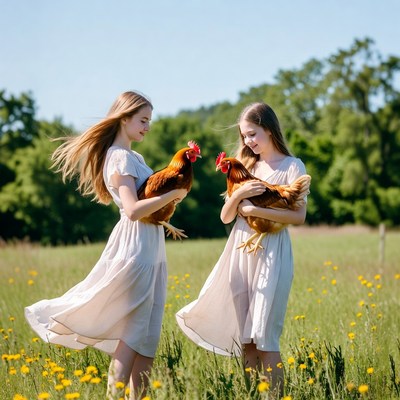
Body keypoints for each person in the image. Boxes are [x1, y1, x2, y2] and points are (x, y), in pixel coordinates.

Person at [25, 91, 188, 399]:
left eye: (149, 121)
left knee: (148, 335)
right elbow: (132, 210)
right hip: (136, 249)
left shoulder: (134, 156)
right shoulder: (121, 157)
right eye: (142, 120)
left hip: (150, 247)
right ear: (123, 118)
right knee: (133, 334)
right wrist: (172, 196)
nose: (147, 127)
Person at [176, 102, 308, 396]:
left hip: (272, 251)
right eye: (245, 136)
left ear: (269, 129)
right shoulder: (246, 165)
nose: (248, 141)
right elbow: (225, 216)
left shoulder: (292, 166)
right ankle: (252, 394)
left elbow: (298, 216)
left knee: (265, 338)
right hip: (239, 251)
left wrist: (255, 211)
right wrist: (242, 197)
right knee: (247, 341)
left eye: (253, 134)